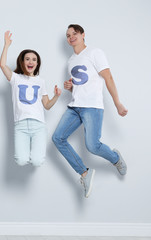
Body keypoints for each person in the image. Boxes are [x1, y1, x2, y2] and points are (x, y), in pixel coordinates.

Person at [52, 24, 128, 198]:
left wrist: (117, 103)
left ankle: (115, 158)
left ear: (83, 34)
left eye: (75, 33)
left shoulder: (95, 52)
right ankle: (84, 173)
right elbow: (80, 86)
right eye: (68, 35)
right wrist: (70, 87)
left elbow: (108, 77)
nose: (71, 37)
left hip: (92, 106)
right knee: (58, 138)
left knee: (92, 146)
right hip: (74, 107)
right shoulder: (70, 61)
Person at [0, 31, 61, 167]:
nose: (30, 61)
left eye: (34, 59)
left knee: (37, 161)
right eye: (27, 59)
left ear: (37, 63)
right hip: (20, 125)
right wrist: (6, 45)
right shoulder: (15, 78)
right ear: (22, 62)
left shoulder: (41, 81)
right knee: (21, 161)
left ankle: (35, 157)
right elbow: (3, 65)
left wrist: (56, 96)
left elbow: (47, 105)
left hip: (38, 125)